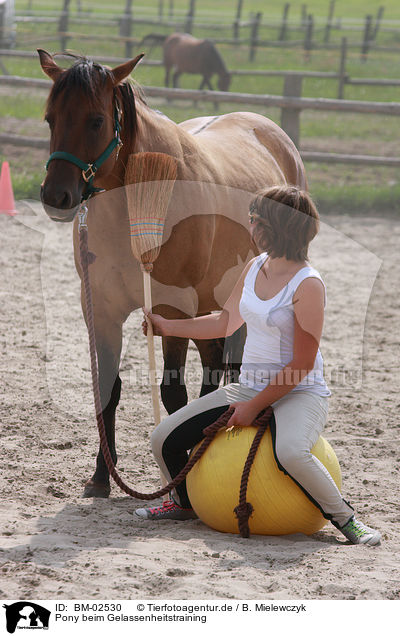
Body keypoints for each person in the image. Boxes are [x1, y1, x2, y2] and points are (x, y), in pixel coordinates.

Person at [135, 185, 381, 546]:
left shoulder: (308, 285)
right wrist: (168, 326)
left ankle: (346, 519)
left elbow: (301, 364)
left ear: (274, 227)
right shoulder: (254, 266)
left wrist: (254, 406)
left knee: (291, 452)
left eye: (254, 219)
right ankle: (183, 503)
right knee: (163, 440)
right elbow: (224, 322)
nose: (248, 226)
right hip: (247, 385)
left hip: (299, 393)